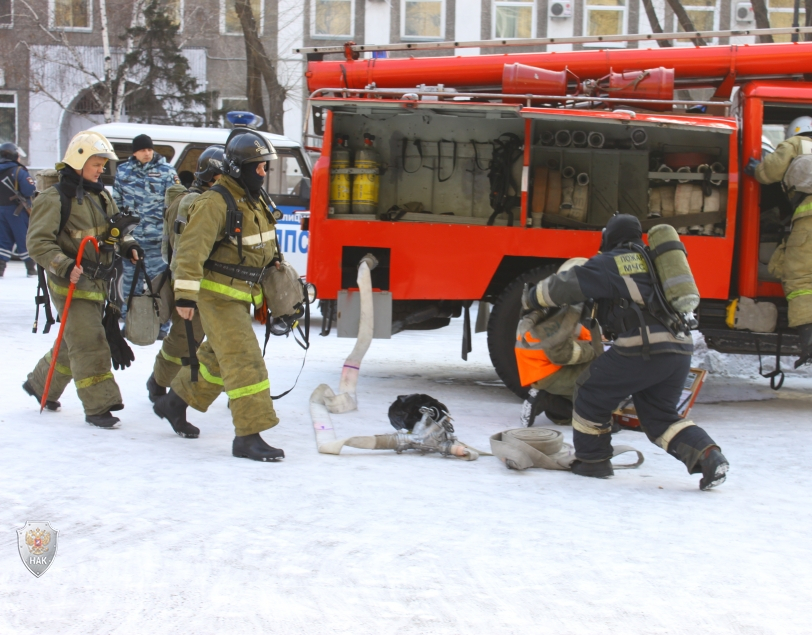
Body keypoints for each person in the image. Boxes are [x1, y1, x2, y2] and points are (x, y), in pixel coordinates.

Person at [524, 214, 729, 490]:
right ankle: (708, 455)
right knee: (660, 418)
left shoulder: (614, 260)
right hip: (679, 348)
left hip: (643, 346)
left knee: (589, 390)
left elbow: (568, 285)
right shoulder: (655, 261)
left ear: (610, 236)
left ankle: (592, 460)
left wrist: (532, 297)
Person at [152, 128, 285, 461]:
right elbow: (189, 252)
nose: (263, 172)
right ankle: (248, 437)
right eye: (259, 166)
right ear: (240, 167)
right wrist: (183, 297)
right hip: (217, 296)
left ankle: (174, 403)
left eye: (265, 166)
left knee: (214, 359)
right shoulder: (214, 202)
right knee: (244, 361)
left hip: (242, 294)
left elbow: (264, 245)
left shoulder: (253, 200)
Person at [23, 130, 143, 428]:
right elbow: (38, 243)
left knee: (73, 341)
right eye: (96, 164)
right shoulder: (54, 199)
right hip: (70, 285)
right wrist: (63, 265)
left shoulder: (101, 195)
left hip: (98, 284)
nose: (101, 170)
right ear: (78, 161)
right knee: (89, 342)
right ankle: (99, 405)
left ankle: (40, 386)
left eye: (103, 165)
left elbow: (116, 229)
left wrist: (129, 245)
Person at [147, 145, 225, 403]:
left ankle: (228, 388)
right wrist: (187, 290)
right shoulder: (193, 203)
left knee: (221, 341)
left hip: (213, 285)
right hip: (190, 281)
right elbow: (186, 251)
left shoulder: (217, 202)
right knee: (183, 339)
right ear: (211, 176)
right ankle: (158, 381)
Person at [748, 116, 812, 368]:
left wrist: (755, 169)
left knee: (801, 280)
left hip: (809, 220)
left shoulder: (796, 144)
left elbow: (771, 171)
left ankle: (809, 342)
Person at [515, 258, 600, 427]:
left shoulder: (556, 299)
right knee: (600, 377)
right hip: (547, 370)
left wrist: (593, 338)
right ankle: (546, 399)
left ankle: (553, 406)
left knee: (569, 415)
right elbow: (561, 354)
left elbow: (571, 334)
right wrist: (593, 349)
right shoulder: (565, 311)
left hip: (539, 366)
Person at [113, 134, 179, 334]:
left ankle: (162, 324)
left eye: (150, 149)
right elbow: (116, 203)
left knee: (158, 284)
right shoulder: (123, 171)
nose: (147, 153)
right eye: (143, 150)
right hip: (131, 240)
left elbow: (176, 203)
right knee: (129, 285)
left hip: (156, 240)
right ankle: (130, 323)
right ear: (135, 152)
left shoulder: (166, 171)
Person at [0, 142, 37, 277]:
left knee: (3, 240)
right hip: (17, 211)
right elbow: (30, 190)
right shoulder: (18, 171)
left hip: (1, 210)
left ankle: (0, 269)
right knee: (24, 238)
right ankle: (31, 269)